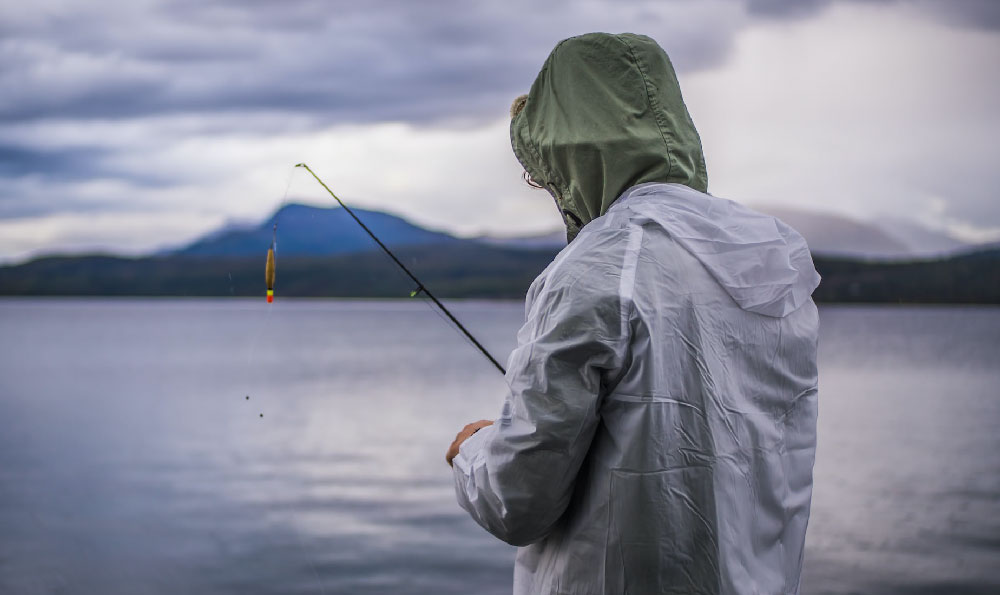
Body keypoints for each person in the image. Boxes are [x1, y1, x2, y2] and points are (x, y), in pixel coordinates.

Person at [446, 32, 821, 594]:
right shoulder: (774, 260)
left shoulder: (596, 269)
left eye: (544, 171)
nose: (549, 188)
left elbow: (516, 502)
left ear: (575, 154)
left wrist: (473, 449)